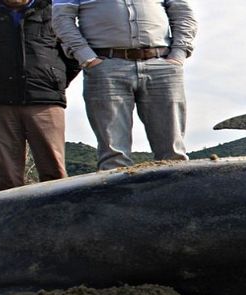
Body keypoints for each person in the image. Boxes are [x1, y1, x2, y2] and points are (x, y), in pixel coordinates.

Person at [52, 0, 197, 170]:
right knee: (113, 156)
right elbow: (61, 18)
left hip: (162, 65)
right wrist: (87, 57)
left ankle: (174, 195)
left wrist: (178, 53)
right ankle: (117, 196)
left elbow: (183, 13)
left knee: (173, 154)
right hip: (106, 66)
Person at [0, 0, 81, 191]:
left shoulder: (54, 12)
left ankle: (59, 218)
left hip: (45, 102)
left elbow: (74, 53)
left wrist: (55, 81)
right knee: (7, 179)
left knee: (54, 173)